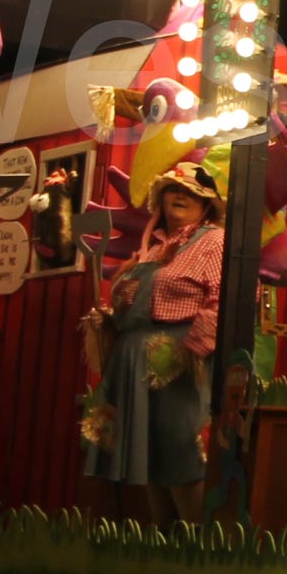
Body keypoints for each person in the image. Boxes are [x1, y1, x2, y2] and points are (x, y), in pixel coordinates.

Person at [83, 157, 227, 524]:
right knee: (149, 453)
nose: (180, 195)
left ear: (206, 204)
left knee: (180, 449)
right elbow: (136, 304)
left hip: (177, 360)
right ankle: (163, 540)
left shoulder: (214, 241)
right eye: (172, 189)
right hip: (134, 361)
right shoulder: (149, 249)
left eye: (190, 191)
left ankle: (196, 542)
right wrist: (109, 320)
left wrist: (191, 352)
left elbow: (224, 299)